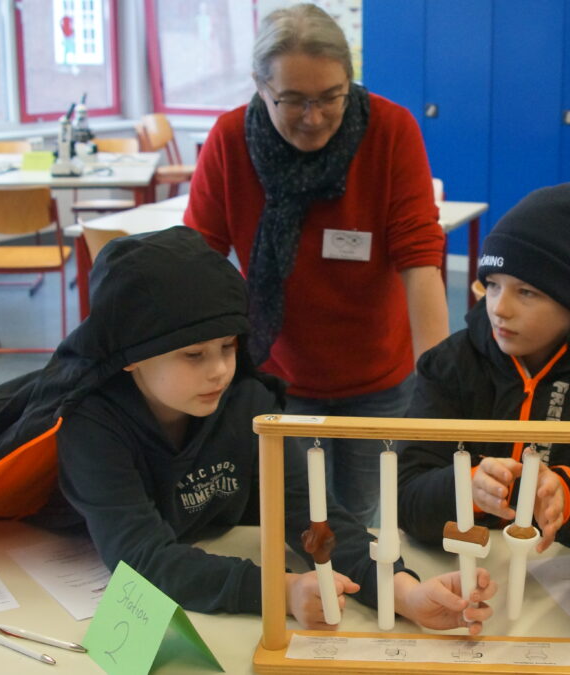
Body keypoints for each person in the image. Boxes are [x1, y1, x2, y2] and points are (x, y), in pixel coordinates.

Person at [0, 227, 495, 632]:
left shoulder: (246, 402)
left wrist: (402, 590)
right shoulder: (91, 426)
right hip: (50, 569)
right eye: (193, 355)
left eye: (228, 347)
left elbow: (316, 517)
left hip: (203, 555)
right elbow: (142, 558)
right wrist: (281, 591)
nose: (220, 371)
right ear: (128, 357)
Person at [185, 3, 448, 527]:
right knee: (300, 521)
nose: (314, 116)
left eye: (331, 96)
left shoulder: (390, 130)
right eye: (293, 100)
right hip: (278, 377)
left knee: (364, 517)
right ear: (260, 86)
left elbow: (421, 260)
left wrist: (439, 389)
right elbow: (195, 262)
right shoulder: (231, 139)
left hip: (378, 376)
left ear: (349, 80)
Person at [398, 182, 570, 552]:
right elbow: (405, 500)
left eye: (526, 292)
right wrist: (467, 487)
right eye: (493, 285)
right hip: (464, 571)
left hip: (568, 575)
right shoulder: (450, 364)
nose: (499, 308)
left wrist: (568, 498)